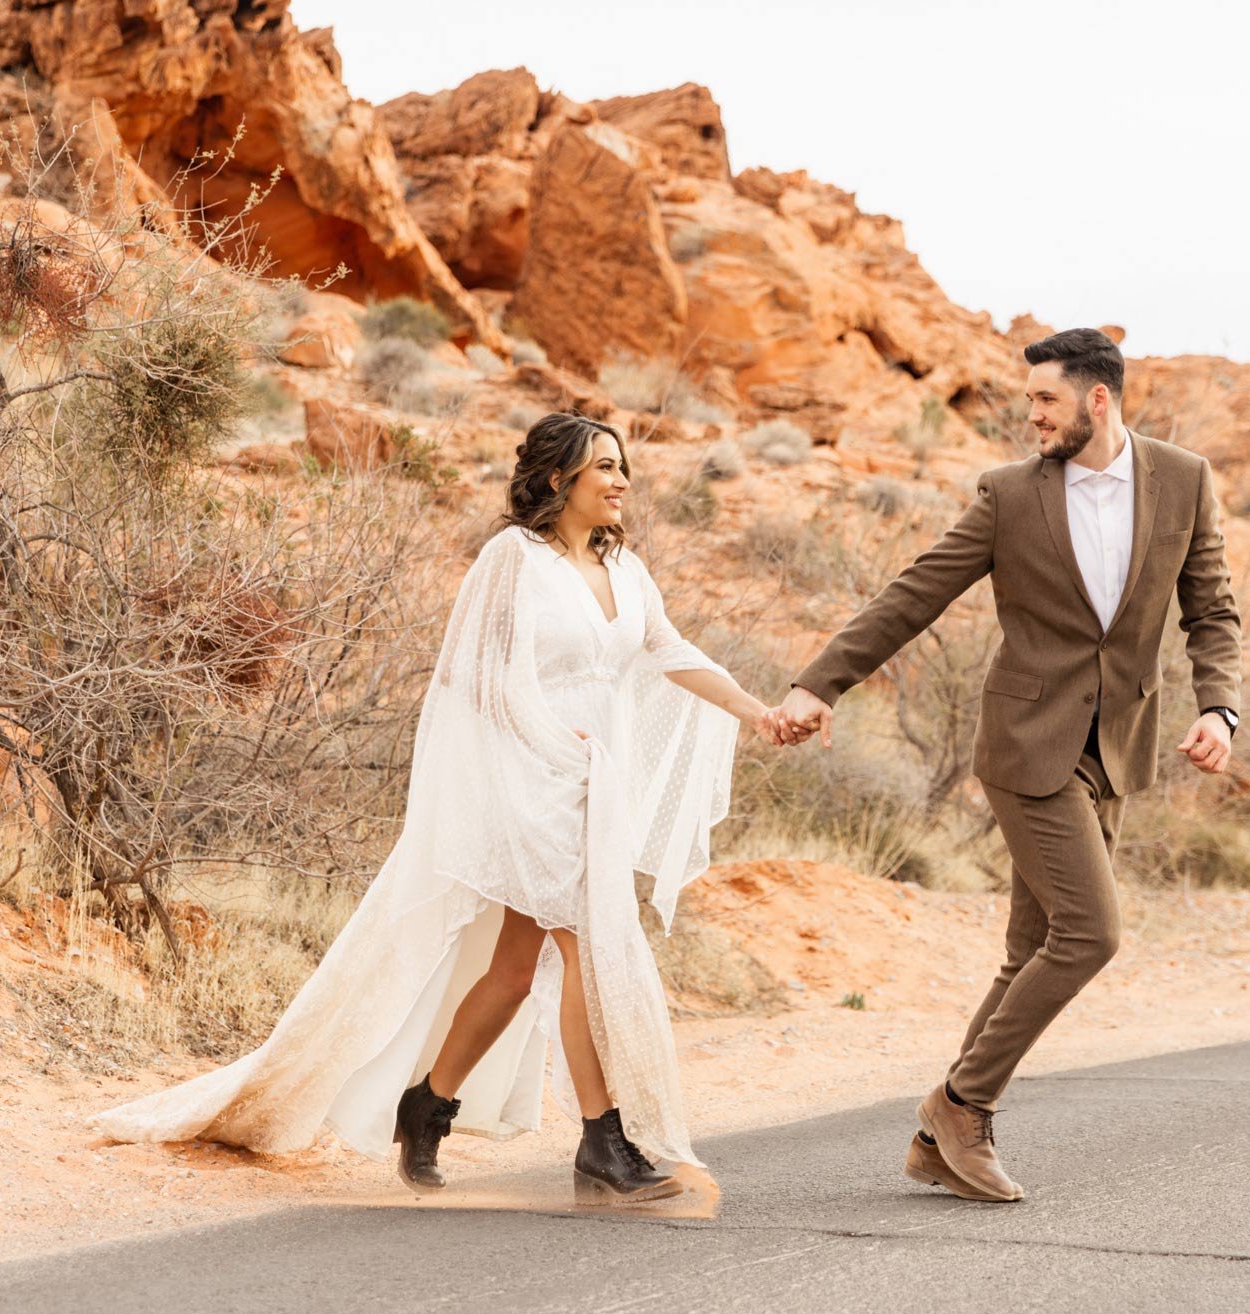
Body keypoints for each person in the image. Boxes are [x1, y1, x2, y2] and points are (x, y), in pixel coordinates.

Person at [91, 412, 779, 1205]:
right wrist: (554, 739)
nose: (622, 480)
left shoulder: (628, 572)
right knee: (588, 949)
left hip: (595, 785)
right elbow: (475, 678)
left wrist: (757, 712)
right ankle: (604, 1141)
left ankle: (430, 1103)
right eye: (605, 468)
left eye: (623, 466)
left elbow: (672, 653)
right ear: (558, 479)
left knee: (519, 970)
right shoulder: (511, 560)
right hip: (530, 779)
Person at [767, 327, 1244, 1202]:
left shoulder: (1184, 478)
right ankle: (962, 1104)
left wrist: (1219, 705)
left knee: (1031, 946)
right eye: (1029, 401)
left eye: (1045, 400)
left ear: (1097, 401)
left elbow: (1211, 608)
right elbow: (914, 593)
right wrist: (818, 684)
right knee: (1091, 934)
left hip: (1116, 748)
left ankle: (933, 1142)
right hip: (1026, 745)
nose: (1031, 416)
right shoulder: (1008, 495)